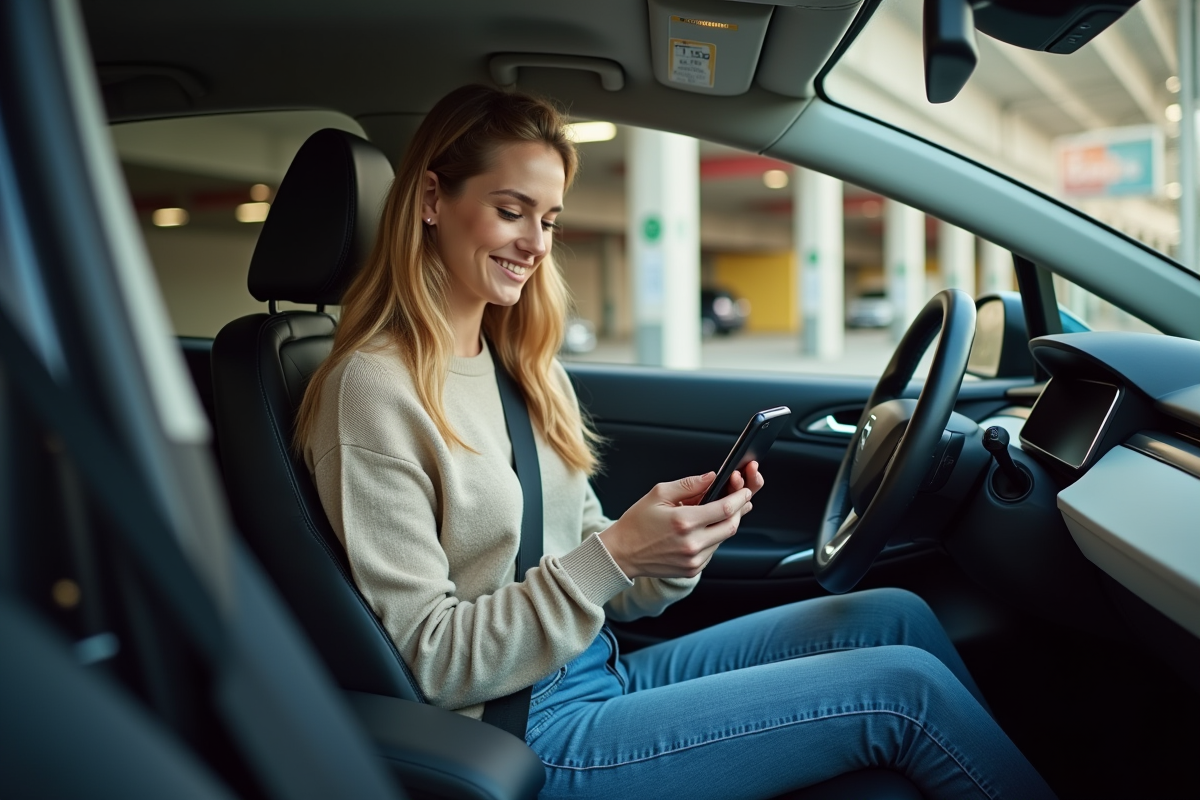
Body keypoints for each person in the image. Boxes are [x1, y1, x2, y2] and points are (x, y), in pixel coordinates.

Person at [297, 84, 1055, 800]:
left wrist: (672, 549)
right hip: (523, 730)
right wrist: (618, 555)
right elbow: (430, 659)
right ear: (433, 199)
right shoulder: (372, 390)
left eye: (550, 220)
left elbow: (588, 557)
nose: (536, 244)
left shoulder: (518, 362)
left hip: (596, 667)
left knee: (893, 615)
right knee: (902, 693)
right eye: (511, 211)